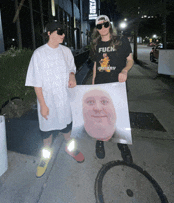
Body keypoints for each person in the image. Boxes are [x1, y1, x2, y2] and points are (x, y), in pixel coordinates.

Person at [25, 20, 85, 178]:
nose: (63, 35)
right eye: (59, 32)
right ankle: (45, 157)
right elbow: (36, 83)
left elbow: (72, 68)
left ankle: (70, 148)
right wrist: (43, 105)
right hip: (47, 102)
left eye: (63, 32)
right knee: (46, 133)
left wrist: (72, 76)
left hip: (64, 100)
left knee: (67, 128)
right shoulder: (39, 54)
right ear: (49, 34)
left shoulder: (66, 51)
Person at [90, 15, 134, 163]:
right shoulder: (96, 44)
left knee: (119, 117)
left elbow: (130, 60)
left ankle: (123, 145)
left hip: (117, 85)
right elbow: (96, 64)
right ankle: (100, 141)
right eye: (99, 26)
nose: (103, 28)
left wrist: (125, 71)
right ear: (97, 29)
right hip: (101, 86)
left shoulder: (121, 41)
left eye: (105, 24)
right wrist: (93, 83)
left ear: (110, 25)